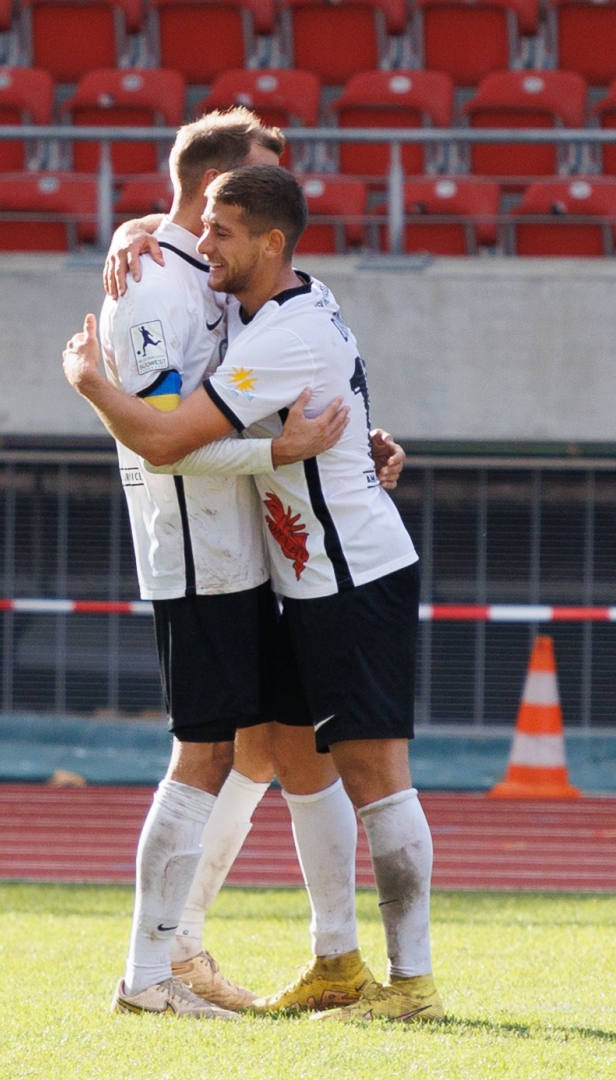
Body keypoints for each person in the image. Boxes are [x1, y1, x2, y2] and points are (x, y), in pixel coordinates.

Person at [63, 164, 443, 1023]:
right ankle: (337, 963)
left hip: (353, 574)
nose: (203, 245)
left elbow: (166, 439)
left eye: (220, 232)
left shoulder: (280, 336)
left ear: (271, 243)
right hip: (310, 580)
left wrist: (91, 382)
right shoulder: (265, 302)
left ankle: (412, 985)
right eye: (200, 226)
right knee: (292, 751)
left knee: (375, 774)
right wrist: (138, 230)